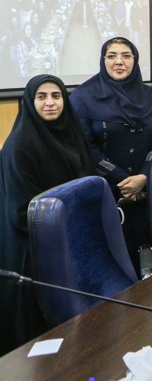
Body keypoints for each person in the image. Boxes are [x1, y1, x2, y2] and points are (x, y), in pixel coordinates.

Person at [0, 75, 92, 352]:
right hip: (35, 251)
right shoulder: (19, 146)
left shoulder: (72, 134)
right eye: (41, 97)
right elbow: (21, 213)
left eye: (56, 96)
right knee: (43, 338)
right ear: (30, 102)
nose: (50, 103)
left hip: (73, 243)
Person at [71, 37, 152, 275]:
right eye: (111, 56)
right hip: (106, 193)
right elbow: (86, 147)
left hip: (147, 191)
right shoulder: (83, 97)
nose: (119, 61)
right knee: (110, 261)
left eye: (126, 55)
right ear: (103, 60)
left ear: (135, 60)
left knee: (148, 254)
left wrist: (145, 177)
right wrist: (124, 181)